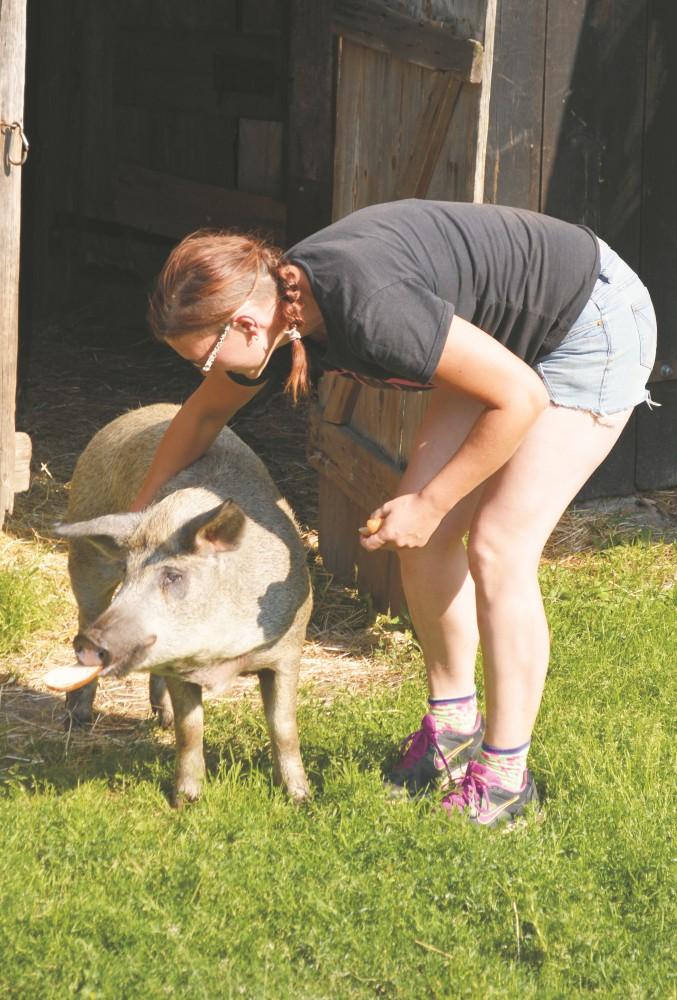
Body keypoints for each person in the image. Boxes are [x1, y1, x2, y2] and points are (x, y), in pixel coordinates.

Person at [131, 199, 658, 826]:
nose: (203, 371)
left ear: (245, 325)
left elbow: (518, 398)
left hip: (587, 324)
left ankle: (507, 781)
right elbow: (204, 415)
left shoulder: (366, 305)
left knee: (497, 546)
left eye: (202, 358)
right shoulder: (283, 308)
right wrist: (138, 519)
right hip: (506, 345)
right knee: (421, 539)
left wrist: (432, 504)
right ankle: (454, 728)